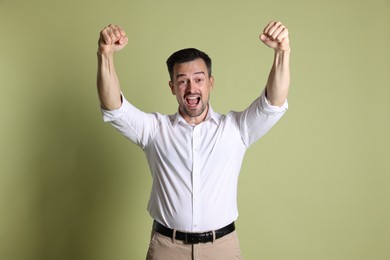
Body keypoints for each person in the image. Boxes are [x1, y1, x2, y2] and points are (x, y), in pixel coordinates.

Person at [97, 21, 290, 260]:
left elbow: (274, 102)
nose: (191, 88)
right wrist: (105, 55)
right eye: (182, 81)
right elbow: (113, 106)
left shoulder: (236, 128)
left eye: (199, 79)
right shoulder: (154, 130)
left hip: (222, 249)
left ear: (211, 83)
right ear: (172, 87)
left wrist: (282, 52)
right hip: (167, 248)